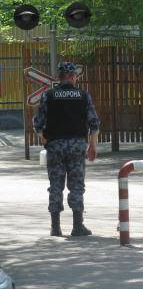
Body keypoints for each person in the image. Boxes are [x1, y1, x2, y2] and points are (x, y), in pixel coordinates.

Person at [33, 62, 100, 237]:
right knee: (76, 185)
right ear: (71, 77)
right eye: (75, 75)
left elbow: (38, 122)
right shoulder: (83, 96)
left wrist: (42, 136)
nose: (76, 77)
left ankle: (55, 227)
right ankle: (77, 226)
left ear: (60, 77)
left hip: (55, 146)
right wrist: (92, 145)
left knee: (55, 185)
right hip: (77, 146)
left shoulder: (49, 95)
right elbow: (94, 123)